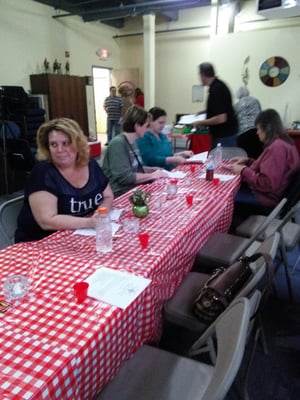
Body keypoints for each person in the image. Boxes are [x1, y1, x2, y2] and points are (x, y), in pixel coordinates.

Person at [15, 118, 114, 242]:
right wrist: (90, 222)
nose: (60, 150)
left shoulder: (90, 165)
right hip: (41, 244)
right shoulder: (42, 173)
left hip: (80, 236)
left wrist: (101, 213)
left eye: (66, 143)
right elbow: (47, 221)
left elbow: (108, 196)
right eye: (53, 144)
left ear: (78, 144)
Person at [229, 109, 300, 223]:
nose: (257, 133)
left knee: (228, 200)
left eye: (258, 129)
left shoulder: (277, 148)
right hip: (277, 196)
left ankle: (234, 234)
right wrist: (247, 161)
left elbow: (267, 183)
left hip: (268, 200)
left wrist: (244, 170)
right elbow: (268, 167)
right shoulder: (284, 142)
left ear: (266, 128)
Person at [102, 105, 168, 198]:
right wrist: (152, 175)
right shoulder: (118, 144)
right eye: (146, 126)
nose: (148, 129)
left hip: (134, 189)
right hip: (121, 193)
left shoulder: (133, 142)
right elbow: (125, 177)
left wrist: (152, 169)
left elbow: (134, 168)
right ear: (137, 126)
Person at [193, 62, 238, 148]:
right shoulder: (217, 85)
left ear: (202, 74)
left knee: (222, 161)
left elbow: (221, 118)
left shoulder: (217, 89)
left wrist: (200, 122)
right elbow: (219, 108)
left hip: (224, 136)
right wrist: (203, 112)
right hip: (224, 134)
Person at [234, 86, 263, 159]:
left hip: (243, 133)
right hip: (257, 131)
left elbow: (233, 119)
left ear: (237, 95)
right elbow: (260, 113)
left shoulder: (236, 105)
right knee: (257, 155)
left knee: (245, 156)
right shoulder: (255, 100)